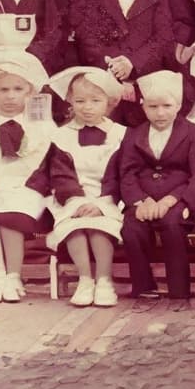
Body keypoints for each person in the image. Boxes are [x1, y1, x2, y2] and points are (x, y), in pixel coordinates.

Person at [0, 52, 57, 303]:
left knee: (12, 213)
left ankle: (13, 275)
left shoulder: (40, 123)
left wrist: (33, 186)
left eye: (18, 89)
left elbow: (48, 164)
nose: (10, 95)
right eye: (3, 89)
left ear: (29, 92)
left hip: (28, 188)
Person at [119, 70, 195, 306]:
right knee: (131, 228)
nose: (160, 113)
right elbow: (127, 172)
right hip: (145, 200)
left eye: (167, 105)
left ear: (178, 105)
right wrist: (139, 201)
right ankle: (144, 285)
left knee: (172, 224)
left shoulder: (194, 134)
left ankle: (179, 290)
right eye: (153, 106)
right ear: (142, 106)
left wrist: (174, 199)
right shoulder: (133, 135)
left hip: (177, 201)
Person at [75, 0, 174, 126]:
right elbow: (89, 37)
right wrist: (115, 69)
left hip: (146, 79)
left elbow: (163, 38)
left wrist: (132, 63)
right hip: (107, 78)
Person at [45, 66, 127, 307]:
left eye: (95, 100)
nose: (87, 107)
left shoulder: (121, 135)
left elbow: (122, 174)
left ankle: (104, 280)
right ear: (70, 101)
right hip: (73, 200)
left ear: (109, 103)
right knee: (76, 227)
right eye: (80, 101)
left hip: (109, 199)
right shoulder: (61, 137)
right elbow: (61, 175)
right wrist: (78, 201)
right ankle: (85, 280)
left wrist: (102, 204)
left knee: (99, 227)